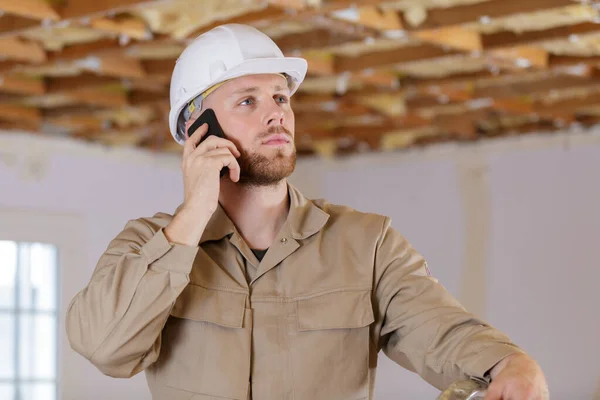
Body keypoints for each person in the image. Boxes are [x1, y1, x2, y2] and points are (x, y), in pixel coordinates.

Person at [66, 23, 549, 400]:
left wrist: (510, 363)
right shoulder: (148, 245)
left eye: (280, 97)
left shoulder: (367, 244)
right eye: (248, 101)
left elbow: (444, 333)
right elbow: (106, 348)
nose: (276, 112)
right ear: (199, 129)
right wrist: (193, 212)